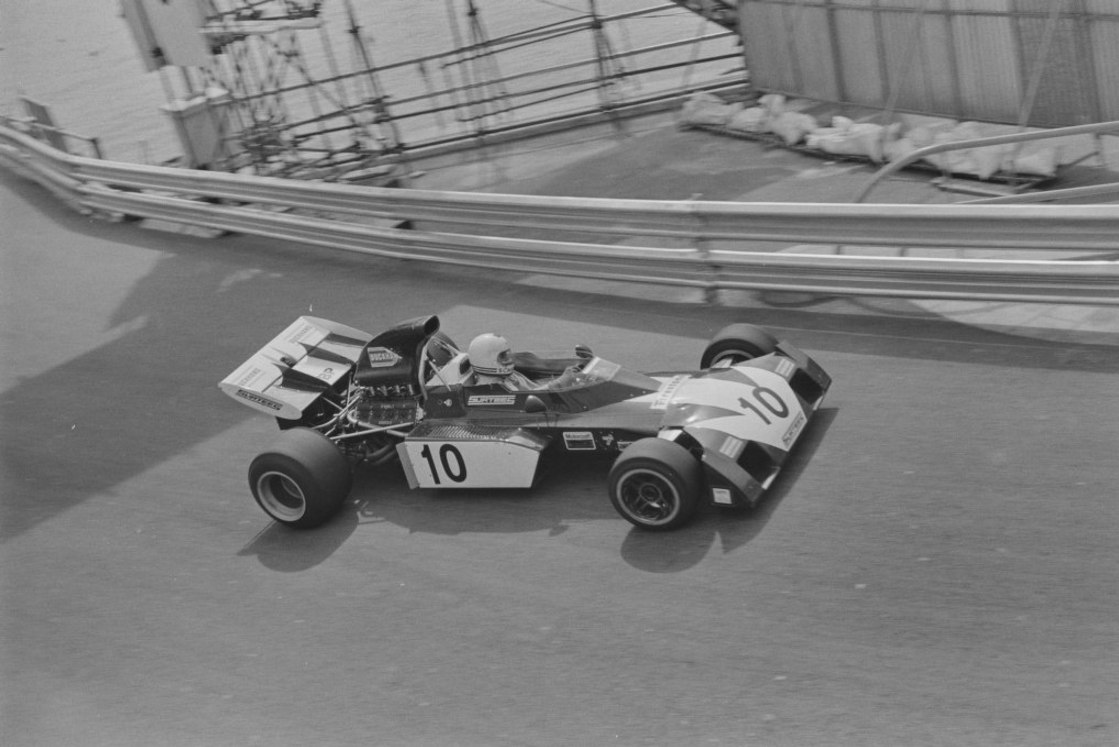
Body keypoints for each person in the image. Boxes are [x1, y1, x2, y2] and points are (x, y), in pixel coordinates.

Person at [466, 333, 540, 390]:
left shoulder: (511, 377)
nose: (509, 360)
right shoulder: (490, 391)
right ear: (486, 361)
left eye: (507, 355)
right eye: (503, 356)